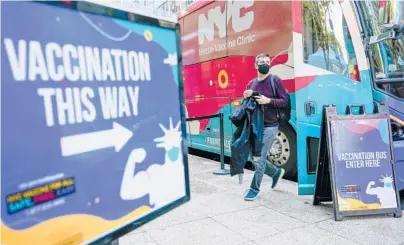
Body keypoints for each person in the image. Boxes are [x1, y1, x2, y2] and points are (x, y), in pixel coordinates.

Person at [243, 52, 289, 201]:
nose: (265, 64)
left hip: (270, 125)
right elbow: (249, 104)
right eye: (262, 62)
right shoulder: (251, 83)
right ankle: (275, 173)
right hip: (255, 125)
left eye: (267, 62)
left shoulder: (275, 80)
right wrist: (246, 95)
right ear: (256, 65)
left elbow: (284, 101)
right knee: (252, 156)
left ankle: (254, 189)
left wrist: (268, 101)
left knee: (260, 157)